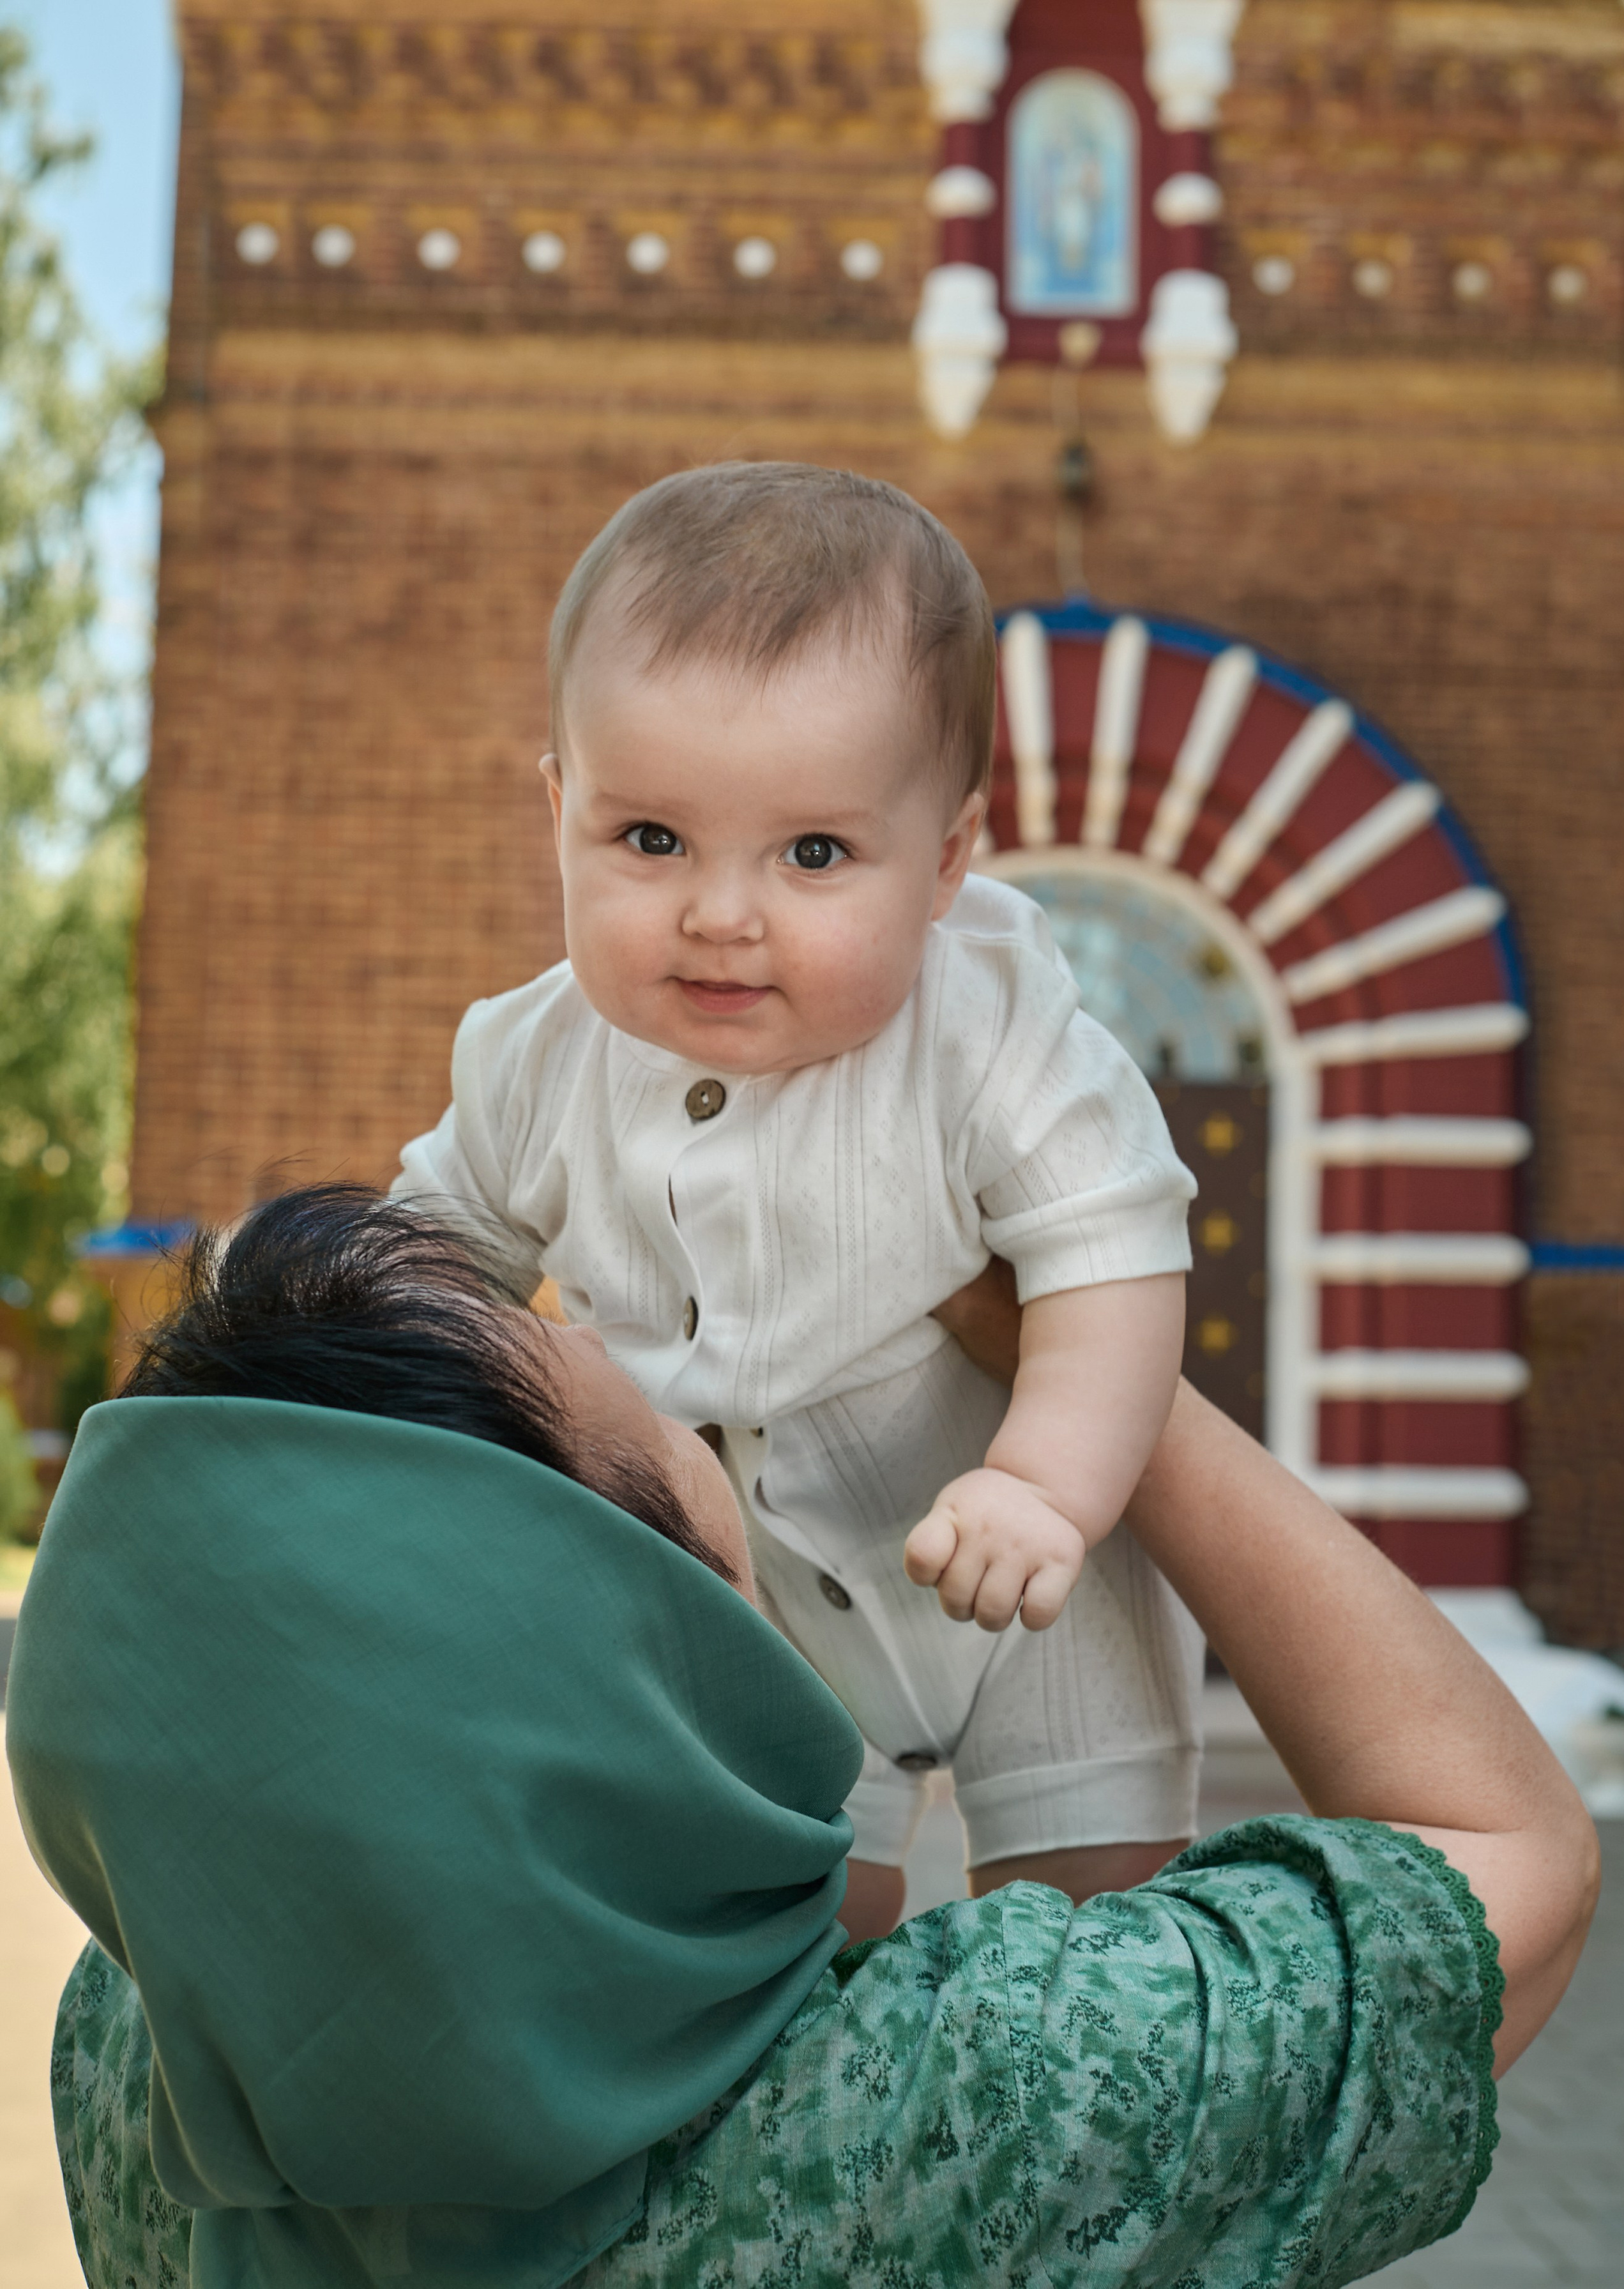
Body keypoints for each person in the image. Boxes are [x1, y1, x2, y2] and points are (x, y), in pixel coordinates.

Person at [6, 1185, 1601, 2289]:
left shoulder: (140, 2064)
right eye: (667, 1426)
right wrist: (1099, 1390)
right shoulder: (978, 2107)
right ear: (643, 1655)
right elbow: (1504, 1859)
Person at [396, 460, 1201, 1938]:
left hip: (1031, 1576)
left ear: (947, 857)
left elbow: (1114, 1253)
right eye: (651, 841)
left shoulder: (992, 1033)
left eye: (813, 853)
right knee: (796, 1918)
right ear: (560, 810)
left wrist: (1042, 1481)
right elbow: (433, 1259)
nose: (719, 912)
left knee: (1097, 1920)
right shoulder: (535, 1059)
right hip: (743, 1597)